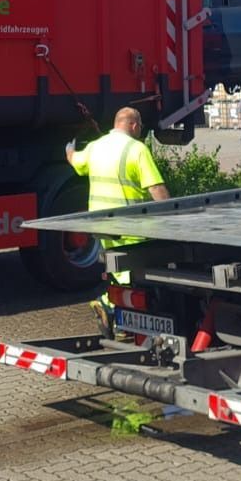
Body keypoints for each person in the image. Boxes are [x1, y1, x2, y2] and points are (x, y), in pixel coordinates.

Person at [64, 107, 170, 335]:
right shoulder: (137, 149)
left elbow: (75, 161)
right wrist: (172, 215)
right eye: (140, 126)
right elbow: (156, 188)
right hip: (129, 226)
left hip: (100, 224)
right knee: (134, 274)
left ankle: (119, 321)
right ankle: (109, 306)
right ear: (134, 125)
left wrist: (69, 150)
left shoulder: (95, 146)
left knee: (116, 269)